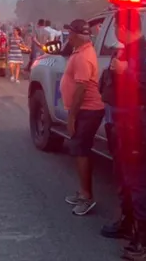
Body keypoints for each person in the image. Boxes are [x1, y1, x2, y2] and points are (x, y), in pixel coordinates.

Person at [99, 8, 146, 260]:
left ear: (123, 28)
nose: (115, 32)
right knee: (123, 178)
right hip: (119, 124)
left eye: (116, 27)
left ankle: (145, 243)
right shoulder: (124, 50)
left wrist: (124, 71)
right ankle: (128, 224)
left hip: (136, 124)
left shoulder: (145, 52)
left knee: (137, 181)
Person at [60, 20, 105, 216]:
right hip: (85, 110)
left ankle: (87, 197)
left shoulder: (83, 56)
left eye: (70, 33)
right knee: (79, 150)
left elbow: (81, 88)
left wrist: (71, 117)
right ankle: (83, 192)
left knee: (81, 151)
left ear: (78, 35)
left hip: (88, 110)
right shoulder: (81, 51)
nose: (68, 36)